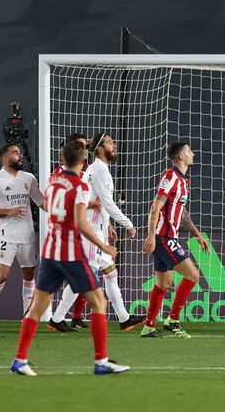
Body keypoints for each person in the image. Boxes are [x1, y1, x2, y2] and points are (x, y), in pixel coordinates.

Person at [10, 140, 129, 376]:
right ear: (84, 160)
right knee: (99, 303)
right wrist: (103, 245)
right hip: (71, 253)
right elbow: (80, 223)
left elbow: (62, 207)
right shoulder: (80, 186)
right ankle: (101, 361)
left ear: (63, 159)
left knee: (38, 308)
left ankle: (20, 360)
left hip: (50, 251)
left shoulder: (54, 180)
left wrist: (89, 204)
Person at [48, 132, 144, 332]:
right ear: (100, 148)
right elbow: (107, 203)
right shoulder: (100, 170)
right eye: (110, 142)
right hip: (90, 234)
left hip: (96, 230)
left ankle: (124, 318)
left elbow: (99, 203)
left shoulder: (95, 169)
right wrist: (128, 224)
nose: (114, 145)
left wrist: (107, 225)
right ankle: (56, 319)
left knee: (110, 272)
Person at [141, 141, 208, 339]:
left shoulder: (183, 181)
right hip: (164, 237)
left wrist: (196, 233)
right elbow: (155, 207)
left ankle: (149, 326)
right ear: (181, 157)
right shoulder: (170, 177)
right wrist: (151, 235)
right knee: (193, 275)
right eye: (189, 151)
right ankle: (172, 321)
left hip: (167, 237)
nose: (192, 154)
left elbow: (182, 212)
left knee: (163, 283)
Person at [0, 144, 45, 328]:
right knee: (3, 275)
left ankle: (28, 317)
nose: (20, 155)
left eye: (20, 152)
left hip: (27, 235)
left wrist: (63, 211)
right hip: (6, 235)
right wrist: (8, 212)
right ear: (4, 158)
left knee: (29, 275)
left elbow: (41, 202)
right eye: (15, 153)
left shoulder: (29, 178)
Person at [47, 133, 104, 330]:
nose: (85, 150)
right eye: (81, 146)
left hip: (85, 228)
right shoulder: (59, 174)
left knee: (90, 272)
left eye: (86, 146)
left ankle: (74, 316)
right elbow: (52, 203)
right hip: (66, 232)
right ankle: (55, 317)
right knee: (84, 274)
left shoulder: (86, 172)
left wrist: (107, 225)